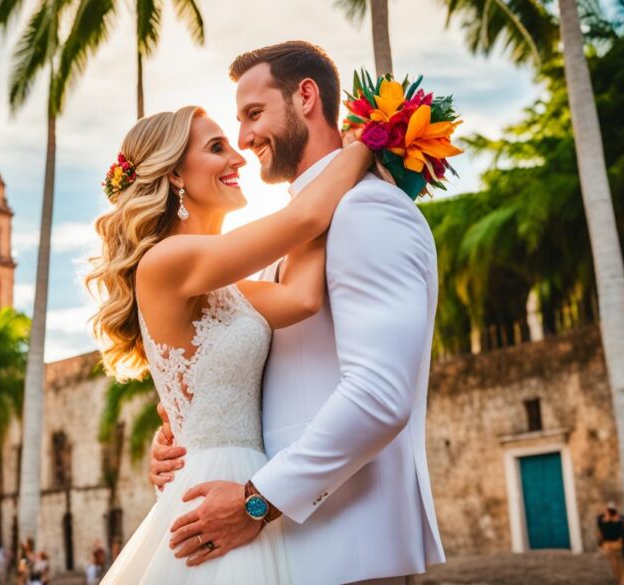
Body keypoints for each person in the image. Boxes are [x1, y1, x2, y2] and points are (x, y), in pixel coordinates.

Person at [126, 41, 446, 584]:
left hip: (341, 539)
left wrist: (257, 501)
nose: (243, 146)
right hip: (273, 532)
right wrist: (185, 433)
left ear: (305, 97)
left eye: (252, 116)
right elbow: (304, 229)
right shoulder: (234, 255)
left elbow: (378, 394)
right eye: (224, 140)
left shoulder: (367, 210)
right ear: (174, 176)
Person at [599, 503, 624, 585]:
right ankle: (619, 581)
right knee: (614, 565)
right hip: (608, 545)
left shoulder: (620, 520)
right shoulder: (603, 520)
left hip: (617, 544)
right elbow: (602, 532)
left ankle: (623, 582)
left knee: (621, 564)